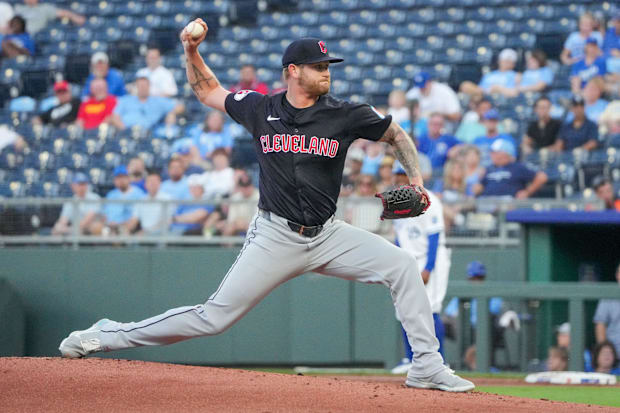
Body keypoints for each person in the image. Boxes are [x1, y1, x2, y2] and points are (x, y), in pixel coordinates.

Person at [58, 24, 474, 392]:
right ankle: (108, 335)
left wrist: (416, 179)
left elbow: (396, 134)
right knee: (214, 318)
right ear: (293, 70)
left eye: (328, 66)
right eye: (318, 66)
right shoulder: (261, 108)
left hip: (329, 234)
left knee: (402, 266)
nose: (327, 72)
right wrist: (191, 52)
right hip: (275, 235)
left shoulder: (346, 114)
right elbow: (207, 90)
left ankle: (426, 366)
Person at [390, 165, 450, 374]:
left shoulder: (428, 199)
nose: (398, 179)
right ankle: (411, 359)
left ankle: (440, 361)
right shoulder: (396, 200)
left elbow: (434, 237)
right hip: (408, 260)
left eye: (402, 175)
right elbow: (399, 237)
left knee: (430, 308)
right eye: (396, 175)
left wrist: (428, 268)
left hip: (430, 259)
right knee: (404, 310)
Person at [107, 71, 184, 131]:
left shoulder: (157, 101)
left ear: (149, 86)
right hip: (127, 132)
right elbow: (114, 116)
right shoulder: (125, 100)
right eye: (140, 86)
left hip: (149, 134)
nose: (143, 88)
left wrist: (172, 113)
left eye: (145, 85)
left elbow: (180, 106)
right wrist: (123, 129)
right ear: (136, 86)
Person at [474, 139, 548, 199]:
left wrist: (527, 192)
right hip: (488, 204)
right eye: (492, 152)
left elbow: (542, 177)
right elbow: (479, 187)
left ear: (506, 153)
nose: (492, 155)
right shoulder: (489, 169)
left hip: (509, 205)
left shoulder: (517, 167)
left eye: (496, 152)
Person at [126, 170, 172, 235]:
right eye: (150, 181)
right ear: (145, 184)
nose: (152, 184)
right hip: (144, 236)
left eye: (155, 181)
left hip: (161, 234)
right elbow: (134, 219)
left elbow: (167, 221)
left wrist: (147, 232)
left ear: (160, 183)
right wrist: (125, 231)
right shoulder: (141, 200)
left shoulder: (167, 199)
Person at [102, 166, 145, 235]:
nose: (121, 180)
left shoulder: (139, 194)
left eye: (123, 177)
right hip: (110, 228)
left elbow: (139, 217)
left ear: (128, 178)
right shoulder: (111, 195)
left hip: (130, 228)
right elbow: (105, 215)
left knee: (122, 232)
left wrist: (121, 225)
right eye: (118, 178)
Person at [14, 0, 84, 36]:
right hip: (15, 35)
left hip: (31, 37)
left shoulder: (45, 8)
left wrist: (75, 17)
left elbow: (63, 13)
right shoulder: (18, 8)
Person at [594, 263, 620, 357]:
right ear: (617, 275)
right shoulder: (609, 296)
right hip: (615, 354)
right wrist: (605, 353)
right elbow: (600, 324)